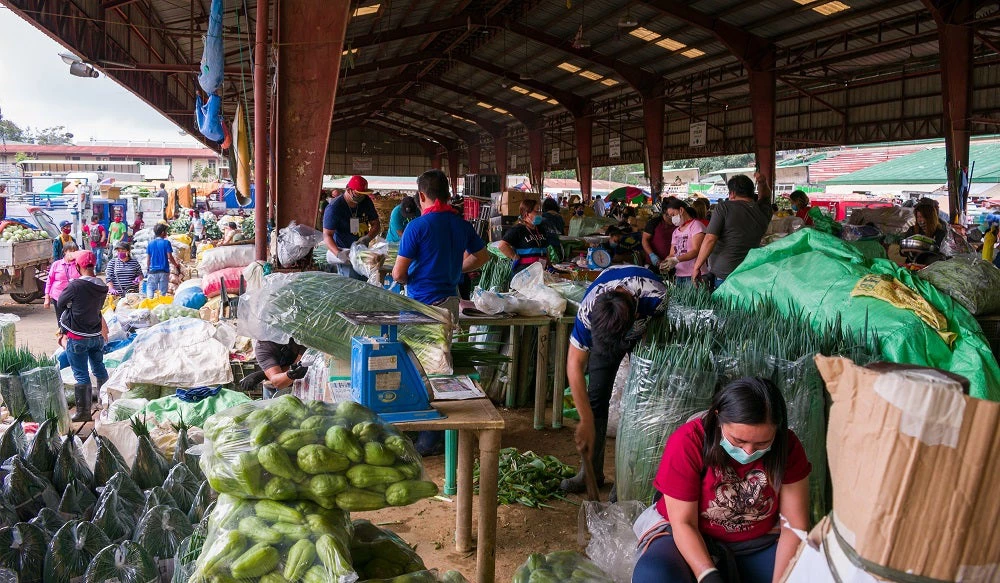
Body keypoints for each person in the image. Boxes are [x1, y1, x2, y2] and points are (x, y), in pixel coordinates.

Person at [631, 377, 811, 583]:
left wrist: (783, 581)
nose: (749, 451)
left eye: (762, 443)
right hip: (684, 535)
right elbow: (684, 523)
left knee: (809, 576)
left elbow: (794, 525)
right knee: (654, 575)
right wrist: (706, 574)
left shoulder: (788, 447)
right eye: (739, 440)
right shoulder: (689, 441)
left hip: (758, 541)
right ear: (718, 418)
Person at [561, 265, 667, 494]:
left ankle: (628, 483)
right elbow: (574, 364)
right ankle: (590, 473)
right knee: (596, 398)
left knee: (640, 404)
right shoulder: (589, 310)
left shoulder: (656, 298)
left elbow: (659, 339)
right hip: (610, 333)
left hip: (643, 338)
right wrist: (586, 421)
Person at [393, 170, 490, 306]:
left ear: (421, 196)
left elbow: (398, 274)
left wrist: (406, 280)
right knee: (448, 328)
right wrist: (456, 268)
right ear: (448, 195)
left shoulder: (416, 226)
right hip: (450, 305)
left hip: (420, 306)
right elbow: (482, 257)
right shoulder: (462, 225)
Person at [692, 174, 773, 289]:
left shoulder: (724, 207)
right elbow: (765, 197)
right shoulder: (763, 210)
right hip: (749, 270)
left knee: (724, 306)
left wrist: (697, 267)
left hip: (725, 274)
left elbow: (710, 239)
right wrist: (762, 182)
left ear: (732, 193)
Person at [56, 250, 110, 423]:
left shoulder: (75, 286)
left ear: (78, 266)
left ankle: (83, 412)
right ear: (93, 266)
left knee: (81, 374)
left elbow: (61, 302)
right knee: (99, 368)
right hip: (95, 335)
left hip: (77, 336)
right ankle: (104, 403)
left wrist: (64, 321)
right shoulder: (102, 286)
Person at [323, 175, 381, 280]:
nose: (362, 197)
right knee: (350, 286)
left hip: (363, 254)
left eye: (364, 194)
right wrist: (338, 253)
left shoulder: (366, 201)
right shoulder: (335, 208)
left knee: (364, 286)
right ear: (349, 190)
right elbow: (327, 235)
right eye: (359, 194)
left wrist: (367, 237)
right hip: (346, 254)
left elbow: (376, 225)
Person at [241, 338, 309, 399]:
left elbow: (300, 363)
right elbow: (277, 382)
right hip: (274, 388)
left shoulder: (299, 337)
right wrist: (290, 374)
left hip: (303, 384)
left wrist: (263, 374)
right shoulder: (263, 347)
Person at [662, 199, 708, 286]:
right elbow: (672, 253)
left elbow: (696, 250)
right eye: (670, 216)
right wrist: (666, 263)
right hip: (679, 274)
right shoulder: (676, 232)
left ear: (681, 210)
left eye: (673, 215)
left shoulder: (696, 226)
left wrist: (676, 259)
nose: (672, 218)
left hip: (695, 274)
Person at [497, 199, 550, 274]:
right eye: (536, 211)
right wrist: (515, 257)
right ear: (527, 214)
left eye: (540, 211)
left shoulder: (541, 229)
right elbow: (502, 245)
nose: (540, 214)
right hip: (524, 274)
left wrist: (550, 265)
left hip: (540, 272)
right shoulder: (518, 229)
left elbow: (545, 249)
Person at [44, 242, 79, 327]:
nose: (72, 253)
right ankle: (62, 336)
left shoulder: (78, 265)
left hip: (75, 297)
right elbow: (49, 281)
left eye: (74, 251)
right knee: (61, 320)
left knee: (75, 321)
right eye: (70, 251)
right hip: (58, 297)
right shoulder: (56, 264)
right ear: (65, 252)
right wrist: (47, 298)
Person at [642, 198, 679, 268]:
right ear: (665, 211)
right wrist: (652, 255)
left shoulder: (678, 223)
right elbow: (644, 240)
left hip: (673, 263)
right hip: (654, 264)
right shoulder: (654, 223)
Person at [146, 223, 179, 298]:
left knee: (150, 288)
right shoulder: (166, 243)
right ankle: (160, 306)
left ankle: (149, 303)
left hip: (153, 270)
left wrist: (148, 268)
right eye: (166, 231)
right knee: (162, 292)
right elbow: (170, 257)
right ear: (163, 232)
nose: (166, 233)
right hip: (164, 271)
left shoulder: (150, 243)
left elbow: (148, 259)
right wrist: (176, 265)